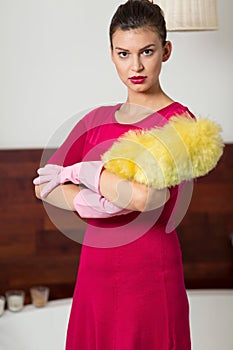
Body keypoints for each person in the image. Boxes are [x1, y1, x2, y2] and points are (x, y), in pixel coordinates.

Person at [34, 1, 194, 349]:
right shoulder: (95, 120)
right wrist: (91, 200)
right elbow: (45, 184)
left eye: (146, 52)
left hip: (152, 278)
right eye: (123, 53)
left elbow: (144, 198)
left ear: (166, 51)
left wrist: (84, 173)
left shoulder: (180, 122)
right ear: (110, 54)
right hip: (95, 276)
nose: (135, 66)